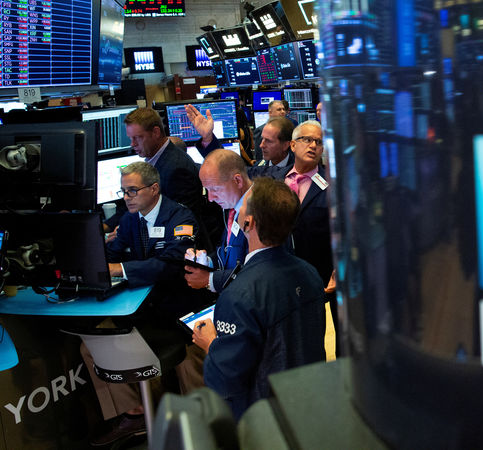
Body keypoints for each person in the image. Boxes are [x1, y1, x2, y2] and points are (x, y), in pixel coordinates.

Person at [82, 162, 210, 446]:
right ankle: (135, 413)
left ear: (154, 188)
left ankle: (204, 424)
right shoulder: (130, 220)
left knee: (191, 369)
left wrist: (120, 269)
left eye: (132, 191)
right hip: (144, 312)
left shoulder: (180, 218)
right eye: (123, 191)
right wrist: (92, 256)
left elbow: (171, 265)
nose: (126, 197)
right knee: (92, 343)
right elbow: (112, 253)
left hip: (181, 313)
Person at [192, 178, 326, 418]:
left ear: (248, 222)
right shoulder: (311, 273)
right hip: (308, 402)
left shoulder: (239, 295)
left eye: (242, 207)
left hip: (262, 417)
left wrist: (211, 343)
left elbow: (226, 380)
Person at [124, 107, 221, 251]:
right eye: (130, 138)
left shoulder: (176, 168)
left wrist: (132, 231)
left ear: (156, 132)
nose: (132, 144)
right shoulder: (156, 159)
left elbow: (180, 221)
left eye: (138, 137)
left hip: (179, 250)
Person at [268, 120, 333, 285]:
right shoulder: (273, 177)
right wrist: (208, 140)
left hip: (317, 275)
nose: (313, 145)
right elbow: (236, 171)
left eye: (318, 142)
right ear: (292, 145)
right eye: (307, 139)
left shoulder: (333, 185)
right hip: (277, 272)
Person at [185, 149, 251, 293]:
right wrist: (207, 261)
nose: (210, 198)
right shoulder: (232, 206)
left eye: (215, 189)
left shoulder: (261, 211)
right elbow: (228, 251)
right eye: (207, 190)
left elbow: (258, 271)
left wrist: (209, 279)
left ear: (238, 180)